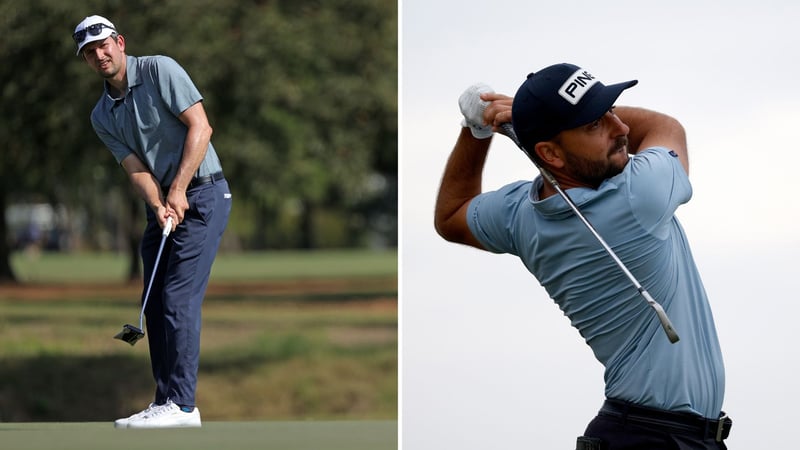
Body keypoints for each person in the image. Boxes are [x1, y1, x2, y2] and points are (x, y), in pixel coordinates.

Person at [434, 63, 731, 449]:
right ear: (549, 153)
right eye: (594, 124)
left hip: (646, 434)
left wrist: (475, 130)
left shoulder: (518, 215)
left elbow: (450, 215)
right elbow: (664, 126)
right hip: (652, 438)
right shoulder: (640, 195)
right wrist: (521, 120)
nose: (620, 128)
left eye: (610, 110)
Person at [73, 15, 232, 428]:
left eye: (104, 45)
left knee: (178, 297)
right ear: (87, 61)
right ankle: (165, 401)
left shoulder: (160, 69)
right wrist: (159, 202)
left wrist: (178, 190)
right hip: (163, 204)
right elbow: (135, 166)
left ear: (120, 42)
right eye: (90, 52)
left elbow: (201, 126)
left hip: (204, 193)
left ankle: (182, 405)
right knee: (156, 301)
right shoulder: (101, 115)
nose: (100, 54)